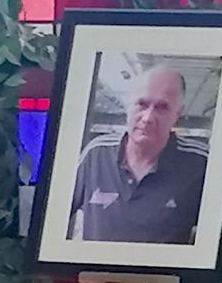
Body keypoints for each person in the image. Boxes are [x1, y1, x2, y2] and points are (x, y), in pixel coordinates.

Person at [70, 63, 209, 244]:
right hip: (95, 264)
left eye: (162, 107)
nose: (148, 117)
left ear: (177, 114)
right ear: (128, 105)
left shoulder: (199, 164)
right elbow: (54, 215)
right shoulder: (96, 154)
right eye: (142, 104)